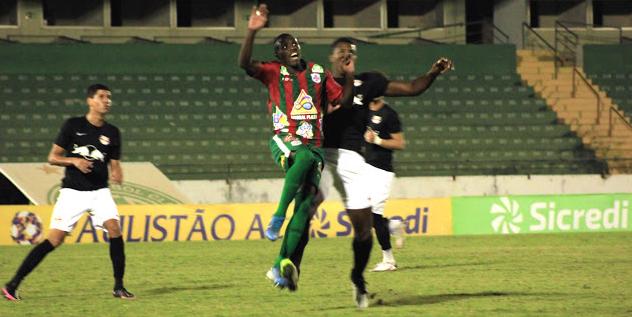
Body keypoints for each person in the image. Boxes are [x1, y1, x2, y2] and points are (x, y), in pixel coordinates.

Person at [309, 37, 453, 308]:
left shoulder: (370, 81)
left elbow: (411, 88)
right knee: (308, 203)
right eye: (340, 51)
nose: (345, 55)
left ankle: (358, 279)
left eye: (350, 52)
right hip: (325, 157)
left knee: (365, 229)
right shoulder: (321, 84)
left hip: (354, 163)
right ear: (331, 57)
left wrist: (433, 73)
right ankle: (287, 261)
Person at [238, 4, 354, 292]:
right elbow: (244, 64)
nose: (291, 47)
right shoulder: (273, 71)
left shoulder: (317, 72)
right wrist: (252, 30)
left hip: (315, 145)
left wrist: (350, 74)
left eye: (294, 43)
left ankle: (280, 266)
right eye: (284, 45)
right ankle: (277, 217)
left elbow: (342, 102)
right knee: (300, 158)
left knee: (304, 208)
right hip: (285, 139)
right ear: (277, 54)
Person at [2, 84, 134, 301]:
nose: (107, 101)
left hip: (100, 191)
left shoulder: (112, 132)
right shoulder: (73, 125)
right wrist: (73, 160)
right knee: (55, 239)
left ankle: (119, 286)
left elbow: (115, 162)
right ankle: (12, 285)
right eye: (102, 97)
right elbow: (52, 157)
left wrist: (117, 173)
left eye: (109, 97)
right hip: (73, 192)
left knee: (114, 229)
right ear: (90, 101)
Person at [363, 98, 405, 272]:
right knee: (366, 214)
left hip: (382, 171)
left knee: (374, 214)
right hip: (365, 168)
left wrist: (378, 141)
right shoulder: (364, 111)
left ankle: (389, 261)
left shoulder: (389, 114)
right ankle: (392, 226)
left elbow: (400, 143)